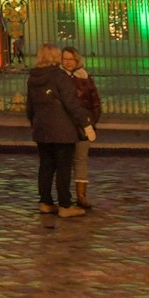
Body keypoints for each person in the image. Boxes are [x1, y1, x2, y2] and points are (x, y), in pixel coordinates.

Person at [28, 43, 93, 218]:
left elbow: (30, 107)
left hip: (42, 129)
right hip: (62, 129)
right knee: (63, 168)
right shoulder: (59, 76)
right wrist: (85, 123)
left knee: (46, 166)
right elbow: (71, 103)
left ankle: (46, 202)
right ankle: (65, 204)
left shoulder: (33, 78)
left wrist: (35, 123)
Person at [61, 47, 103, 211]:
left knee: (81, 160)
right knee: (64, 162)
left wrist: (91, 121)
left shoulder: (85, 78)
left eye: (71, 59)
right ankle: (64, 196)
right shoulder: (59, 78)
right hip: (64, 125)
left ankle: (81, 196)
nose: (68, 62)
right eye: (65, 59)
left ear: (77, 60)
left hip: (83, 126)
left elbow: (95, 102)